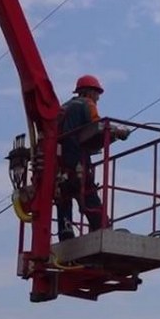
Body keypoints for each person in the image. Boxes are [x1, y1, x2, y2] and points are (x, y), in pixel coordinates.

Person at [55, 74, 129, 240]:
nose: (97, 99)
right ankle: (101, 227)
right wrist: (119, 131)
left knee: (64, 195)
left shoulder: (63, 107)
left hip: (58, 164)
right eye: (97, 95)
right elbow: (99, 126)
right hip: (77, 159)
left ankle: (65, 232)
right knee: (88, 192)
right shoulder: (86, 104)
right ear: (89, 92)